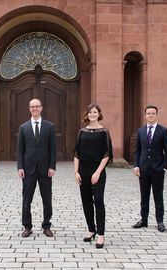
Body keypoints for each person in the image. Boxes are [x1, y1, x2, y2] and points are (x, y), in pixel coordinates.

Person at [74, 103, 113, 249]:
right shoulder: (82, 132)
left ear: (99, 114)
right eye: (90, 112)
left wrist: (97, 172)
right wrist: (76, 171)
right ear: (87, 115)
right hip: (83, 169)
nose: (92, 114)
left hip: (98, 170)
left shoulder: (104, 132)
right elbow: (76, 153)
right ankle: (91, 229)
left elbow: (107, 154)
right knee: (86, 200)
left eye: (95, 112)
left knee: (98, 200)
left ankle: (101, 234)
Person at [17, 98, 56, 238]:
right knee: (27, 199)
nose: (34, 109)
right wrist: (20, 167)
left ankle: (46, 226)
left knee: (47, 199)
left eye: (37, 106)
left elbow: (53, 149)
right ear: (29, 109)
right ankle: (27, 226)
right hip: (28, 169)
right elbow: (20, 150)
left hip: (45, 169)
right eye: (32, 106)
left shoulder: (49, 126)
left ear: (41, 108)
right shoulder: (23, 127)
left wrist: (52, 166)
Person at [132, 105, 167, 232]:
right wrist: (136, 165)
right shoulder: (141, 131)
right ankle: (144, 220)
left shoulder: (163, 131)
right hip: (143, 169)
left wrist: (164, 167)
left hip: (158, 169)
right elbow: (137, 150)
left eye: (153, 113)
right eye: (148, 113)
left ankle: (160, 221)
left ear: (156, 115)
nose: (151, 115)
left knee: (158, 196)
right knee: (144, 195)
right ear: (145, 115)